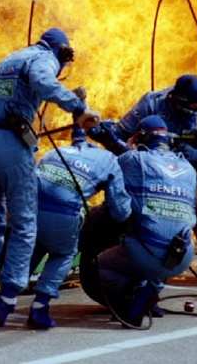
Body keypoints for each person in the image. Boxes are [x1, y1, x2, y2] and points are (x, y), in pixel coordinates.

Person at [0, 27, 99, 327]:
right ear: (61, 53)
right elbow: (43, 82)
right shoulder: (44, 58)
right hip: (8, 142)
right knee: (25, 223)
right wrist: (79, 109)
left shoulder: (6, 62)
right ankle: (8, 297)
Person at [28, 118, 131, 329]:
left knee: (31, 247)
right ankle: (40, 307)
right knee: (64, 253)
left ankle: (3, 296)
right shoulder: (110, 160)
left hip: (29, 209)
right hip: (62, 214)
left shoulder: (54, 152)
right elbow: (120, 211)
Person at [98, 116, 197, 327]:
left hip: (149, 251)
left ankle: (130, 306)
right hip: (182, 254)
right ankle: (151, 290)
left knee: (105, 264)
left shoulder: (135, 159)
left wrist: (108, 137)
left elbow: (118, 207)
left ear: (141, 136)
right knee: (159, 242)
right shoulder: (189, 168)